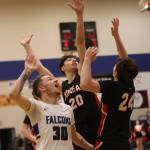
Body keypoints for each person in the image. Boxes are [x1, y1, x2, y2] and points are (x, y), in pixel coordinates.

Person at [19, 0, 101, 149]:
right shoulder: (60, 86)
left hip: (96, 127)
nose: (74, 60)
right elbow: (38, 66)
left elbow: (80, 43)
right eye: (69, 59)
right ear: (62, 68)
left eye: (74, 58)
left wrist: (79, 15)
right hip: (77, 133)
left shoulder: (82, 75)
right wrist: (27, 47)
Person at [9, 55, 94, 150]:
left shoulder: (68, 108)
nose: (55, 80)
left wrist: (91, 147)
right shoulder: (36, 106)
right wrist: (27, 71)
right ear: (42, 88)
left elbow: (74, 136)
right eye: (50, 79)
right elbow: (14, 94)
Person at [80, 18, 138, 150]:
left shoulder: (112, 86)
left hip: (107, 141)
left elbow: (84, 84)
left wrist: (87, 60)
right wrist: (116, 36)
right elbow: (125, 60)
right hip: (123, 142)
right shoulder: (130, 85)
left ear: (116, 72)